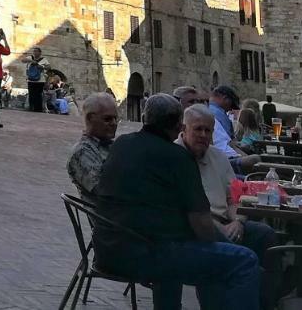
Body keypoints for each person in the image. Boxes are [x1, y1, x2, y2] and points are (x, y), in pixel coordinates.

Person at [94, 93, 260, 309]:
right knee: (243, 260)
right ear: (178, 126)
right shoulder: (178, 158)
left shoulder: (121, 145)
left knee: (196, 254)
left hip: (108, 250)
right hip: (149, 255)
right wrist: (221, 245)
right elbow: (202, 226)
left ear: (145, 118)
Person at [176, 104, 277, 264]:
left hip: (225, 222)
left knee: (266, 234)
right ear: (184, 128)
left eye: (208, 131)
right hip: (193, 228)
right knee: (243, 258)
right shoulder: (172, 156)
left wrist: (237, 221)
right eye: (198, 129)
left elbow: (235, 197)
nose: (203, 135)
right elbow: (180, 209)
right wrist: (219, 228)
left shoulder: (219, 157)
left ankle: (271, 287)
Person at [67, 92, 119, 199]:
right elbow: (103, 190)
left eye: (115, 118)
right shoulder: (82, 153)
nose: (114, 123)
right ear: (91, 118)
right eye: (107, 119)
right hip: (109, 213)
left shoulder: (110, 145)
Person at [208, 85, 260, 173]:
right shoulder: (219, 114)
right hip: (225, 159)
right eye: (231, 105)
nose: (230, 109)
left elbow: (230, 142)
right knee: (255, 160)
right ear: (225, 98)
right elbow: (230, 143)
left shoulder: (213, 112)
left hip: (223, 157)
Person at [26, 46, 47, 112]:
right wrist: (32, 61)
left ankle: (38, 109)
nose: (35, 52)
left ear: (40, 53)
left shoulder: (44, 59)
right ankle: (31, 107)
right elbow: (23, 60)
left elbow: (49, 67)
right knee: (31, 94)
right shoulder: (30, 57)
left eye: (36, 51)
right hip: (31, 79)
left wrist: (41, 66)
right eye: (34, 51)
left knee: (38, 95)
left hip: (40, 80)